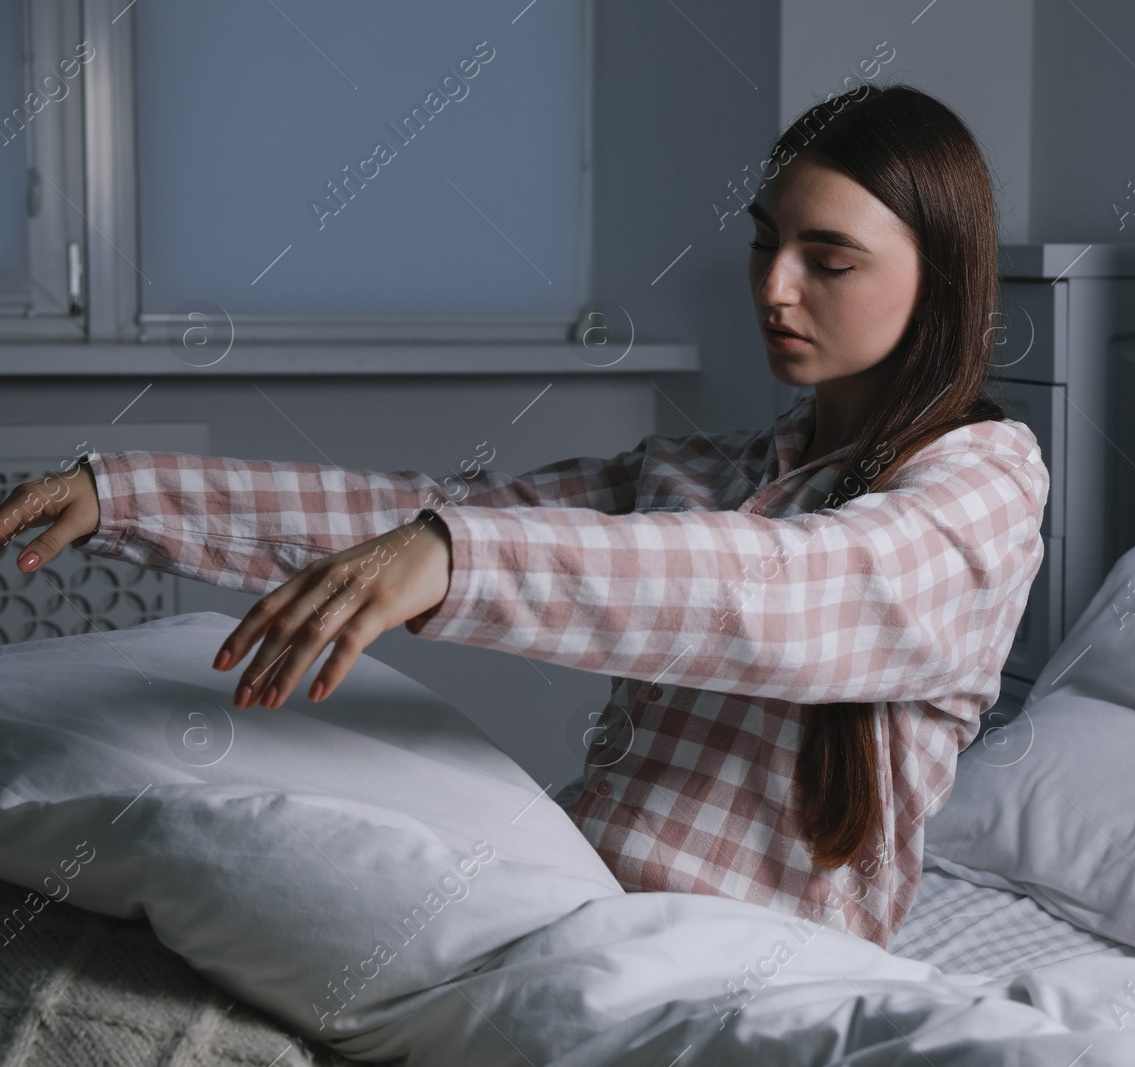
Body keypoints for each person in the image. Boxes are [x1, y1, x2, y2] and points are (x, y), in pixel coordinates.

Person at [0, 83, 1047, 949]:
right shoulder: (707, 471)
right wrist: (126, 494)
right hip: (568, 905)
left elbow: (778, 591)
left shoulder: (982, 489)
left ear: (941, 275)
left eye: (829, 260)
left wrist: (451, 559)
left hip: (743, 973)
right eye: (765, 243)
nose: (773, 287)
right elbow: (413, 517)